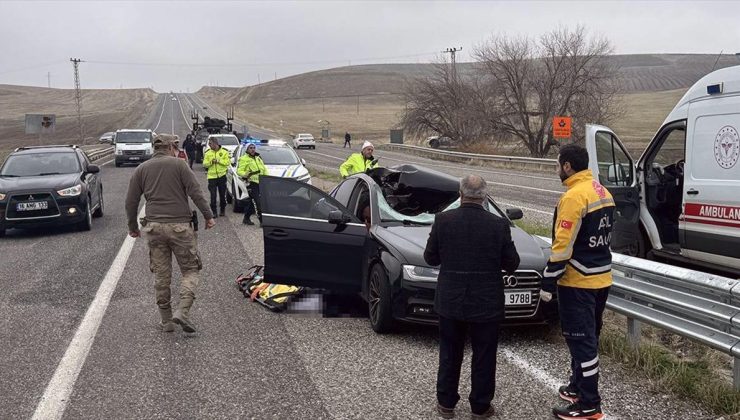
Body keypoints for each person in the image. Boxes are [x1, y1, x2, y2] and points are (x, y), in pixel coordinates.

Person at [423, 175, 520, 419]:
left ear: (461, 193)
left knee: (449, 352)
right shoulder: (498, 225)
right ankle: (480, 406)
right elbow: (512, 264)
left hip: (451, 299)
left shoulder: (443, 220)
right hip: (486, 301)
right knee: (485, 356)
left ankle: (446, 403)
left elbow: (430, 258)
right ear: (485, 196)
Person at [542, 144, 614, 420]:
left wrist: (547, 282)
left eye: (558, 164)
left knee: (580, 342)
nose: (557, 169)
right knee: (589, 338)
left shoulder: (573, 197)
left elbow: (563, 246)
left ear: (568, 166)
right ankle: (575, 387)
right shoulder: (601, 191)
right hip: (601, 278)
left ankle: (588, 404)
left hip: (578, 282)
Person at [125, 134, 216, 333]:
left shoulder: (142, 169)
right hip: (180, 227)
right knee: (191, 270)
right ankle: (182, 312)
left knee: (161, 274)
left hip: (154, 228)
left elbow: (131, 201)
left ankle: (166, 321)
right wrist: (208, 216)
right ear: (170, 147)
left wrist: (132, 226)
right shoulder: (180, 165)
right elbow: (195, 192)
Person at [237, 143, 268, 225]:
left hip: (260, 182)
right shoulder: (243, 159)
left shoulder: (258, 158)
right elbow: (239, 171)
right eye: (250, 148)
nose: (253, 149)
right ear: (247, 149)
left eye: (254, 148)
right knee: (258, 202)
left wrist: (267, 179)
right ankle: (262, 221)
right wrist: (245, 174)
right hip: (251, 183)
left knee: (252, 202)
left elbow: (264, 169)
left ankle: (246, 218)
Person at [203, 137, 230, 217]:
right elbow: (205, 164)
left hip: (222, 176)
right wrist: (211, 162)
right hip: (212, 177)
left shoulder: (224, 151)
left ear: (215, 143)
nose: (209, 145)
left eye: (210, 143)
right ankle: (214, 212)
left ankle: (222, 210)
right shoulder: (208, 152)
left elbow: (227, 162)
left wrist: (219, 161)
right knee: (213, 195)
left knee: (222, 195)